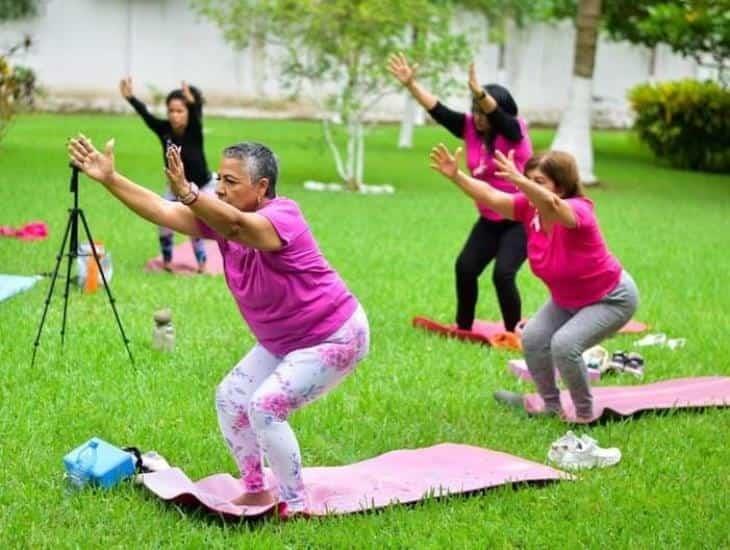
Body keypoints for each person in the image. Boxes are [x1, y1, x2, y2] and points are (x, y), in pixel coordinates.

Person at [67, 135, 370, 517]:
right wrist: (110, 178)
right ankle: (257, 489)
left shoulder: (283, 216)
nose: (221, 189)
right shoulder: (219, 219)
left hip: (336, 336)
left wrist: (191, 194)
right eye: (219, 179)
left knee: (265, 406)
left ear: (261, 188)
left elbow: (239, 227)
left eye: (231, 182)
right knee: (230, 398)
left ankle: (295, 503)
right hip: (283, 342)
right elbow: (162, 209)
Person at [429, 145, 639, 421]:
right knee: (534, 338)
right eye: (527, 180)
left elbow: (555, 206)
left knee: (565, 345)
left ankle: (585, 415)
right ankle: (551, 407)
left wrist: (520, 181)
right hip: (567, 301)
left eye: (537, 182)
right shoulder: (530, 211)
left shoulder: (578, 211)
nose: (527, 189)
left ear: (561, 188)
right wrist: (456, 175)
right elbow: (491, 196)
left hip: (611, 298)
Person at [388, 53, 533, 333]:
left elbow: (499, 117)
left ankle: (515, 332)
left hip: (520, 218)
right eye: (474, 111)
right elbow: (438, 110)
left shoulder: (514, 131)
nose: (477, 118)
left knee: (503, 274)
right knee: (465, 267)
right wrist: (411, 85)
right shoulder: (470, 128)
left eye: (482, 112)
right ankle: (463, 328)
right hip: (489, 219)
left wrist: (479, 92)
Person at [119, 77, 214, 273]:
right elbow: (146, 115)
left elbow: (197, 113)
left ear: (188, 113)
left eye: (180, 111)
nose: (175, 115)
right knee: (163, 222)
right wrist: (131, 98)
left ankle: (202, 264)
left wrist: (193, 102)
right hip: (175, 187)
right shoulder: (164, 130)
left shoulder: (194, 129)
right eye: (171, 111)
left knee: (195, 224)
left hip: (201, 186)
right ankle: (168, 261)